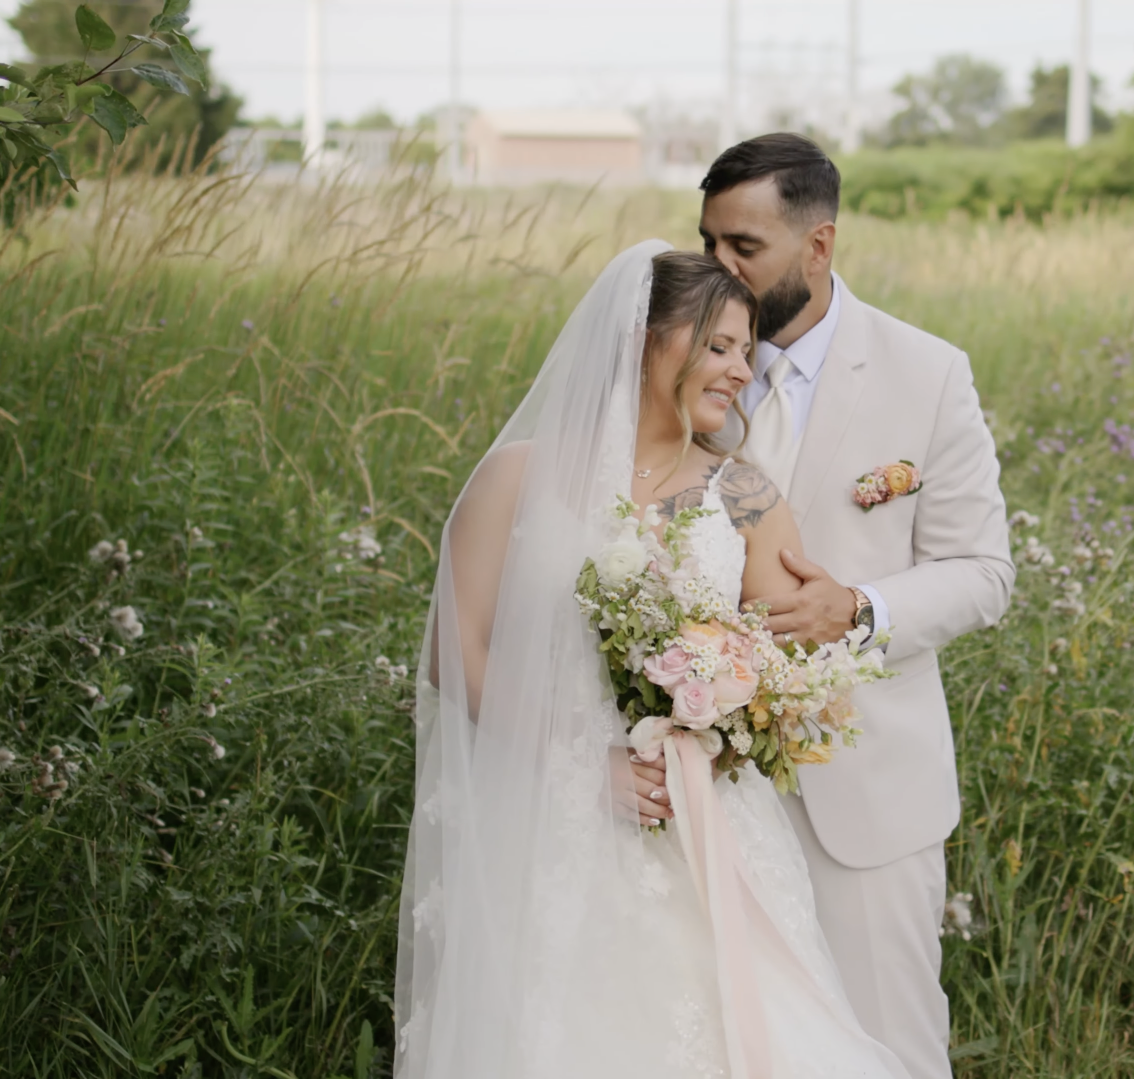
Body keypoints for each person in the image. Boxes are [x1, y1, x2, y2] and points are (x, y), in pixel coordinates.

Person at [394, 244, 913, 1077]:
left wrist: (728, 713)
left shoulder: (745, 497)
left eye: (747, 350)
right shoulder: (514, 477)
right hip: (545, 820)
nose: (740, 370)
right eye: (717, 346)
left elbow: (785, 673)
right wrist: (574, 764)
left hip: (698, 828)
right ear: (641, 337)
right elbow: (454, 649)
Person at [696, 133, 1014, 1079]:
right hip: (706, 782)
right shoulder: (678, 367)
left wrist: (860, 608)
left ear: (819, 246)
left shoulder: (928, 373)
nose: (718, 267)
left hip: (868, 788)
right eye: (707, 240)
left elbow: (983, 571)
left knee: (889, 1051)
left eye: (743, 248)